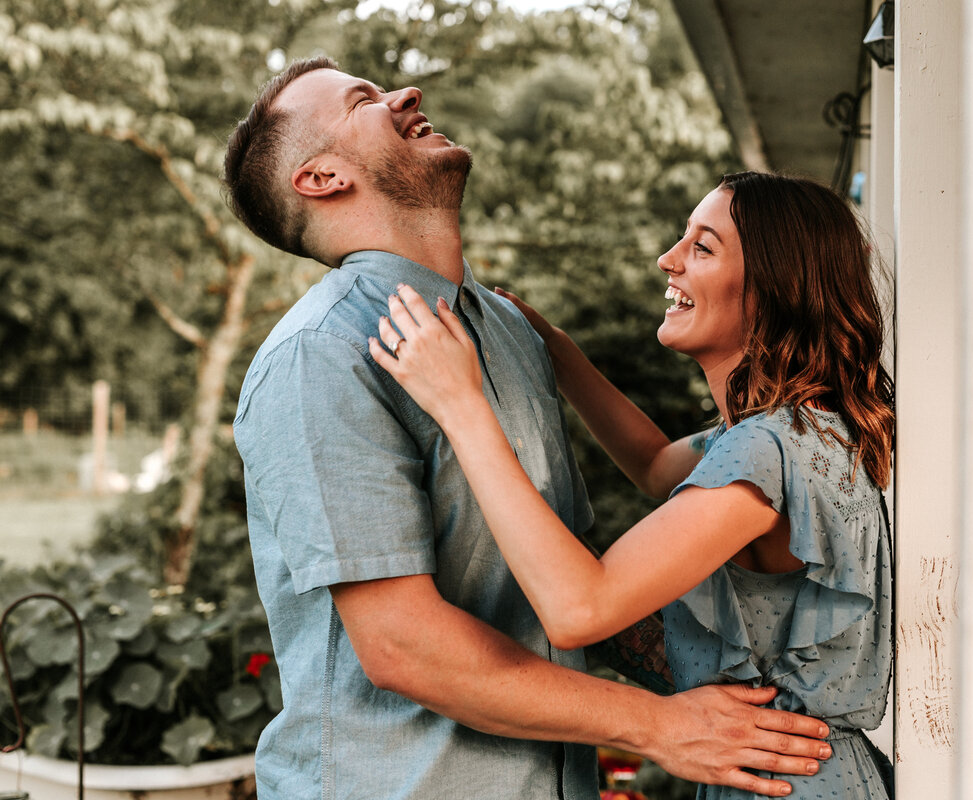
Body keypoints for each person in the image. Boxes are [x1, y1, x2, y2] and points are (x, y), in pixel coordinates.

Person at [224, 58, 832, 800]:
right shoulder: (319, 356)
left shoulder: (508, 331)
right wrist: (659, 726)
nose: (406, 95)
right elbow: (403, 647)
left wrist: (766, 683)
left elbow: (562, 576)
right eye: (365, 101)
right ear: (321, 179)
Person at [371, 171, 895, 799]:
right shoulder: (801, 431)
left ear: (772, 290)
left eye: (702, 248)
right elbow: (652, 463)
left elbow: (578, 609)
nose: (667, 259)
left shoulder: (768, 449)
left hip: (787, 781)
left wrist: (461, 404)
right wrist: (553, 350)